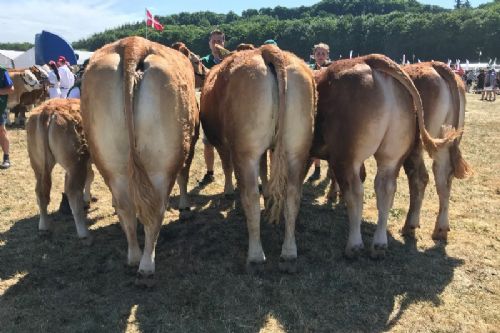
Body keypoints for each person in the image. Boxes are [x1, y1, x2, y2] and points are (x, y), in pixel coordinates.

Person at [198, 29, 226, 186]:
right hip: (210, 108)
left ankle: (235, 176)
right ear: (209, 43)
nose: (217, 44)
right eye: (214, 41)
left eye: (220, 41)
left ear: (224, 42)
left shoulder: (231, 59)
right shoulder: (204, 61)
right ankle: (210, 173)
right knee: (208, 143)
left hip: (230, 109)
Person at [307, 43, 332, 181]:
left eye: (323, 53)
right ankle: (317, 169)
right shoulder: (309, 69)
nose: (321, 56)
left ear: (327, 55)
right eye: (318, 53)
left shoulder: (332, 69)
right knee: (315, 140)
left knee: (329, 140)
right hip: (315, 107)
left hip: (328, 108)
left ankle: (331, 169)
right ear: (314, 55)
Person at [0, 65, 15, 169]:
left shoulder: (2, 71)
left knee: (1, 131)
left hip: (0, 106)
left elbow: (11, 89)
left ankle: (6, 158)